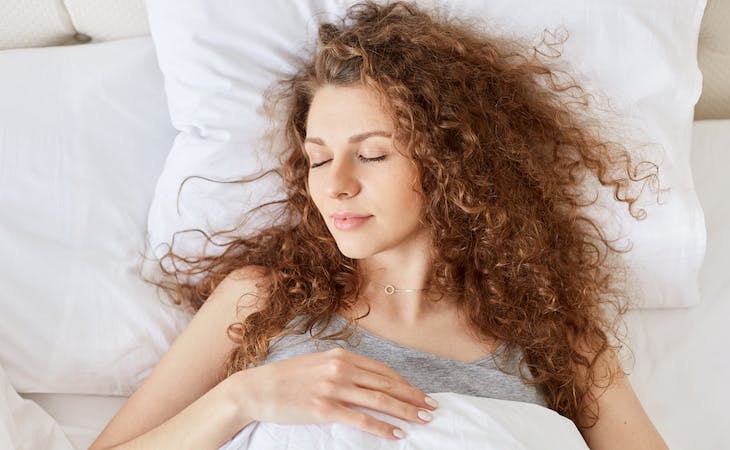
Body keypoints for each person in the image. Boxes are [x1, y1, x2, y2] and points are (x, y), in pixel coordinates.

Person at [90, 1, 670, 449]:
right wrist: (241, 398)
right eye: (318, 157)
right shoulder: (258, 300)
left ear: (450, 161)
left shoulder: (553, 334)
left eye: (371, 154)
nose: (335, 183)